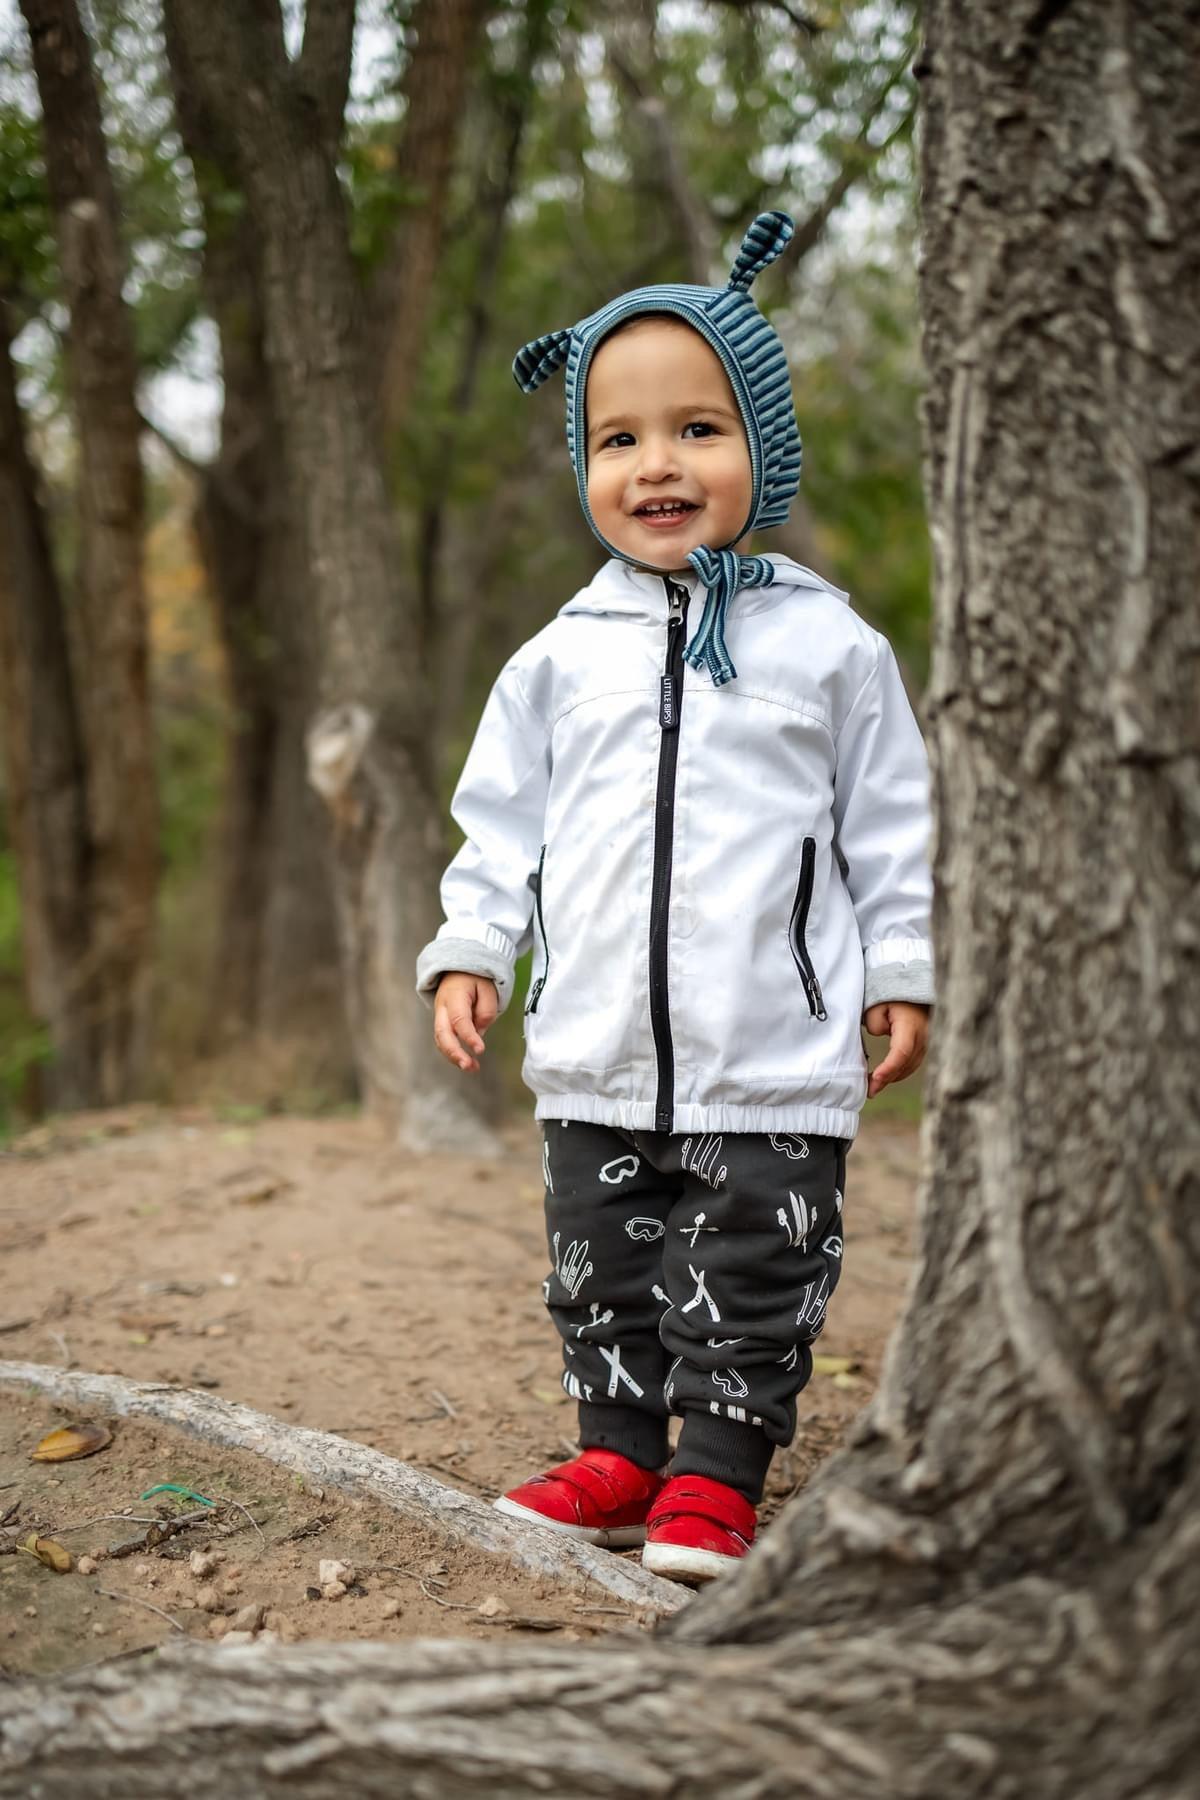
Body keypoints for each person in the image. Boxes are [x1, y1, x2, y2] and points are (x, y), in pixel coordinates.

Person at [416, 213, 933, 1585]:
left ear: (763, 443)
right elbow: (500, 823)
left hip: (770, 1046)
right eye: (619, 439)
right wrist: (474, 945)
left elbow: (889, 826)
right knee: (598, 1261)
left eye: (698, 429)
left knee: (753, 1262)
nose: (657, 465)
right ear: (584, 464)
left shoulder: (827, 643)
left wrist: (900, 965)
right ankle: (618, 1447)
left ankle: (714, 1472)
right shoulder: (557, 656)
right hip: (593, 1045)